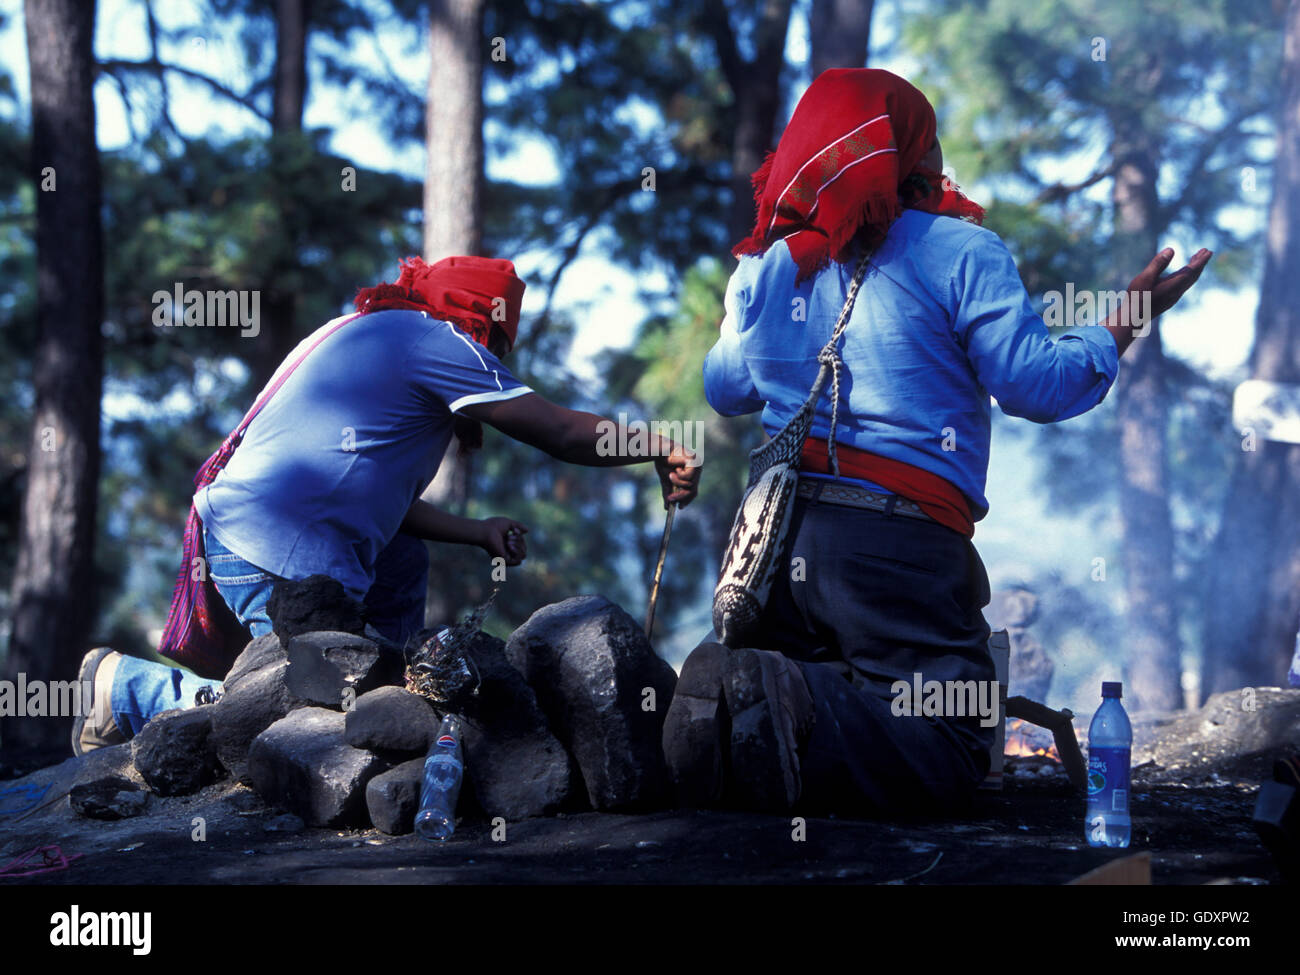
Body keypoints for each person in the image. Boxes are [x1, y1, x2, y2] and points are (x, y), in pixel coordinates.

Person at [661, 68, 1211, 816]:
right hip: (895, 549)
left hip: (778, 549)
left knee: (800, 755)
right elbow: (1035, 386)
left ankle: (749, 692)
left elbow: (727, 388)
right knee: (950, 733)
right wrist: (1125, 318)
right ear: (908, 152)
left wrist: (760, 293)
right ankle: (787, 693)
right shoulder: (957, 250)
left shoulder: (767, 267)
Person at [74, 255, 700, 754]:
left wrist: (475, 531)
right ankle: (133, 691)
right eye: (496, 344)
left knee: (400, 562)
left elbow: (375, 499)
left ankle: (389, 687)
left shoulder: (364, 331)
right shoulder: (438, 342)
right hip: (275, 552)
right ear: (479, 320)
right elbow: (559, 431)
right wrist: (652, 445)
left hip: (248, 536)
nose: (494, 361)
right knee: (309, 716)